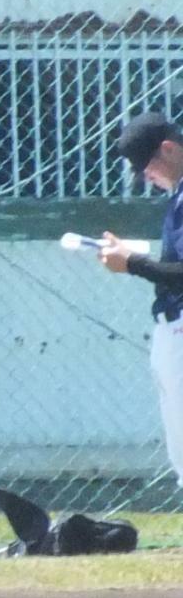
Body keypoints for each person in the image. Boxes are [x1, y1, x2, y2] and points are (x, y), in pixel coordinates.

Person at [97, 110, 183, 491]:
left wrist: (133, 263)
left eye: (147, 166)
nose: (146, 177)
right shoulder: (178, 194)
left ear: (168, 149)